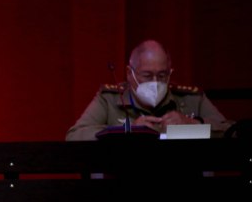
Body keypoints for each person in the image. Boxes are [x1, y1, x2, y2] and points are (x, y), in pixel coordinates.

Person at [66, 39, 234, 140]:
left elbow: (233, 132)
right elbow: (75, 135)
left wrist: (193, 124)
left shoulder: (190, 99)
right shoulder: (110, 99)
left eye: (162, 75)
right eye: (147, 75)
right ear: (129, 73)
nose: (155, 82)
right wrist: (128, 131)